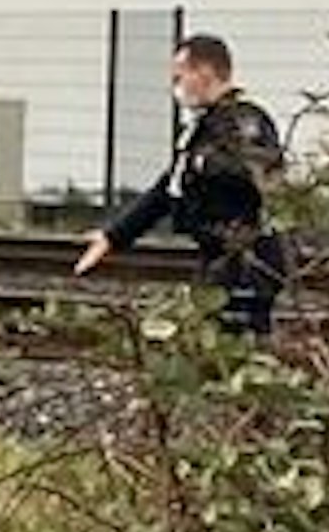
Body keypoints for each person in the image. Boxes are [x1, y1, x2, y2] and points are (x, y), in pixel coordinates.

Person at [75, 34, 288, 334]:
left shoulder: (244, 123)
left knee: (235, 340)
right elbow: (167, 189)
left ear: (204, 73)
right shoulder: (202, 127)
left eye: (180, 76)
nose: (176, 86)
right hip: (217, 256)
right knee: (211, 336)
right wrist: (114, 236)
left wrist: (205, 163)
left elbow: (257, 176)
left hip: (247, 259)